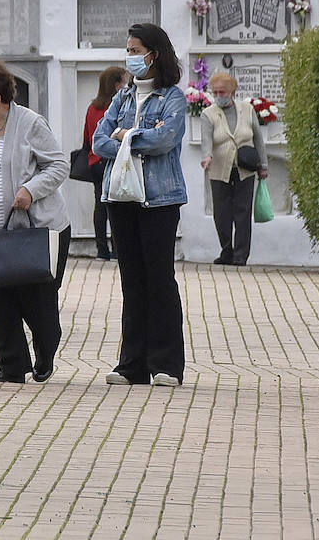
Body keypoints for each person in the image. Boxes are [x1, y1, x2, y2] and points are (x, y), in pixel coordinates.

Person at [0, 60, 72, 383]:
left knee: (37, 299)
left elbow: (58, 165)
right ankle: (11, 364)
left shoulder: (29, 123)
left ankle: (45, 352)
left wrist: (30, 189)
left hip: (34, 228)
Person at [92, 22, 189, 386]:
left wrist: (126, 135)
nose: (130, 57)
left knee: (159, 279)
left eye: (136, 51)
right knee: (131, 280)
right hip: (120, 197)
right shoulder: (123, 98)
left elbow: (166, 139)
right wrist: (132, 140)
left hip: (159, 201)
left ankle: (166, 364)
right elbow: (99, 141)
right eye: (128, 51)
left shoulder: (173, 98)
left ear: (155, 54)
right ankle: (131, 365)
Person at [199, 71, 268, 266]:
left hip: (245, 168)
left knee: (243, 211)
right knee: (221, 213)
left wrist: (263, 165)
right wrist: (207, 156)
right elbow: (206, 139)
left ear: (232, 92)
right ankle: (226, 250)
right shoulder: (208, 113)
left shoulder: (247, 109)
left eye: (223, 92)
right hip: (219, 167)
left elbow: (258, 139)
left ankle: (240, 255)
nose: (219, 96)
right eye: (216, 93)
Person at [83, 66, 126, 260]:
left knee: (99, 206)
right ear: (116, 84)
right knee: (116, 206)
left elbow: (86, 137)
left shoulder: (92, 107)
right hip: (112, 160)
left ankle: (101, 249)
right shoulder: (118, 106)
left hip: (95, 162)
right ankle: (117, 249)